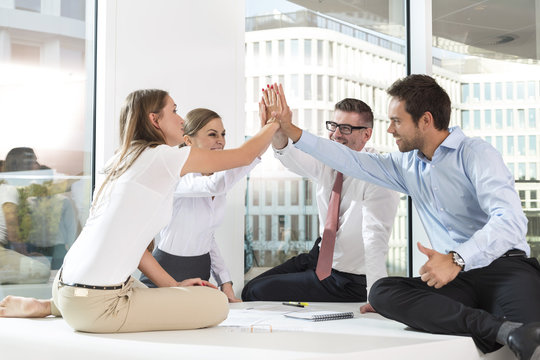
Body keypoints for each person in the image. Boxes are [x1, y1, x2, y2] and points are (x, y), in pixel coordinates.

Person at [271, 76, 540, 360]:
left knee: (531, 342)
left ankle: (503, 329)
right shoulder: (405, 165)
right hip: (456, 280)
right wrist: (290, 129)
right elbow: (349, 160)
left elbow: (509, 220)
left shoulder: (475, 153)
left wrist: (457, 258)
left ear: (425, 120)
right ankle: (501, 329)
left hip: (505, 268)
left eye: (396, 121)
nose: (389, 129)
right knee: (382, 292)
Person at [0, 88, 281, 333]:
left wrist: (174, 286)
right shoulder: (161, 158)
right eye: (174, 110)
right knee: (216, 305)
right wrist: (273, 123)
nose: (182, 119)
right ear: (154, 119)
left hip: (66, 288)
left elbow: (137, 249)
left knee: (143, 288)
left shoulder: (120, 160)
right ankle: (61, 308)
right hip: (97, 306)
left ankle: (50, 306)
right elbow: (242, 156)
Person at [242, 96, 399, 302]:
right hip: (319, 257)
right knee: (250, 288)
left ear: (366, 135)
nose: (335, 135)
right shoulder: (328, 162)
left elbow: (375, 239)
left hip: (348, 279)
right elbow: (291, 158)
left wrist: (375, 297)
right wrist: (278, 131)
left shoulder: (377, 175)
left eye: (345, 128)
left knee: (256, 292)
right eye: (333, 126)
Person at [140, 108, 259, 302]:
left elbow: (208, 237)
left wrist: (225, 283)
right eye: (212, 134)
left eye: (223, 134)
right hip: (167, 269)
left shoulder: (218, 183)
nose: (220, 140)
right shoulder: (178, 177)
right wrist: (258, 146)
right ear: (188, 141)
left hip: (201, 271)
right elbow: (214, 185)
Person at [0, 148, 51, 284]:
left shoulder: (10, 188)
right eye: (34, 162)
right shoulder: (9, 189)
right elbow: (12, 227)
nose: (38, 166)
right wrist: (24, 254)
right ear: (22, 166)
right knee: (41, 272)